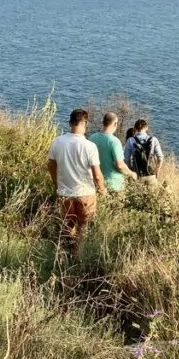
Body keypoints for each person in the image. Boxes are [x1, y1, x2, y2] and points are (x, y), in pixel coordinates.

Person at [47, 109, 106, 254]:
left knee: (68, 225)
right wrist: (102, 189)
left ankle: (65, 254)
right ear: (85, 123)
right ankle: (78, 256)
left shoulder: (57, 142)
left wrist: (56, 183)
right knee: (83, 227)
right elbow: (97, 175)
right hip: (85, 193)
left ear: (70, 122)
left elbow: (51, 165)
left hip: (65, 191)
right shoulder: (89, 146)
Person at [88, 112, 138, 193]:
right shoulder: (114, 141)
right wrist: (131, 174)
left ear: (103, 122)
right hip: (113, 184)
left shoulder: (92, 138)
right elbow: (120, 165)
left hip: (96, 183)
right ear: (115, 123)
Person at [124, 119, 164, 183]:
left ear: (135, 128)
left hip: (137, 175)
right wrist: (157, 171)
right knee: (152, 192)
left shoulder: (130, 140)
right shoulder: (154, 140)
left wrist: (130, 171)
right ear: (146, 128)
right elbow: (160, 157)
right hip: (151, 174)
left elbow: (126, 159)